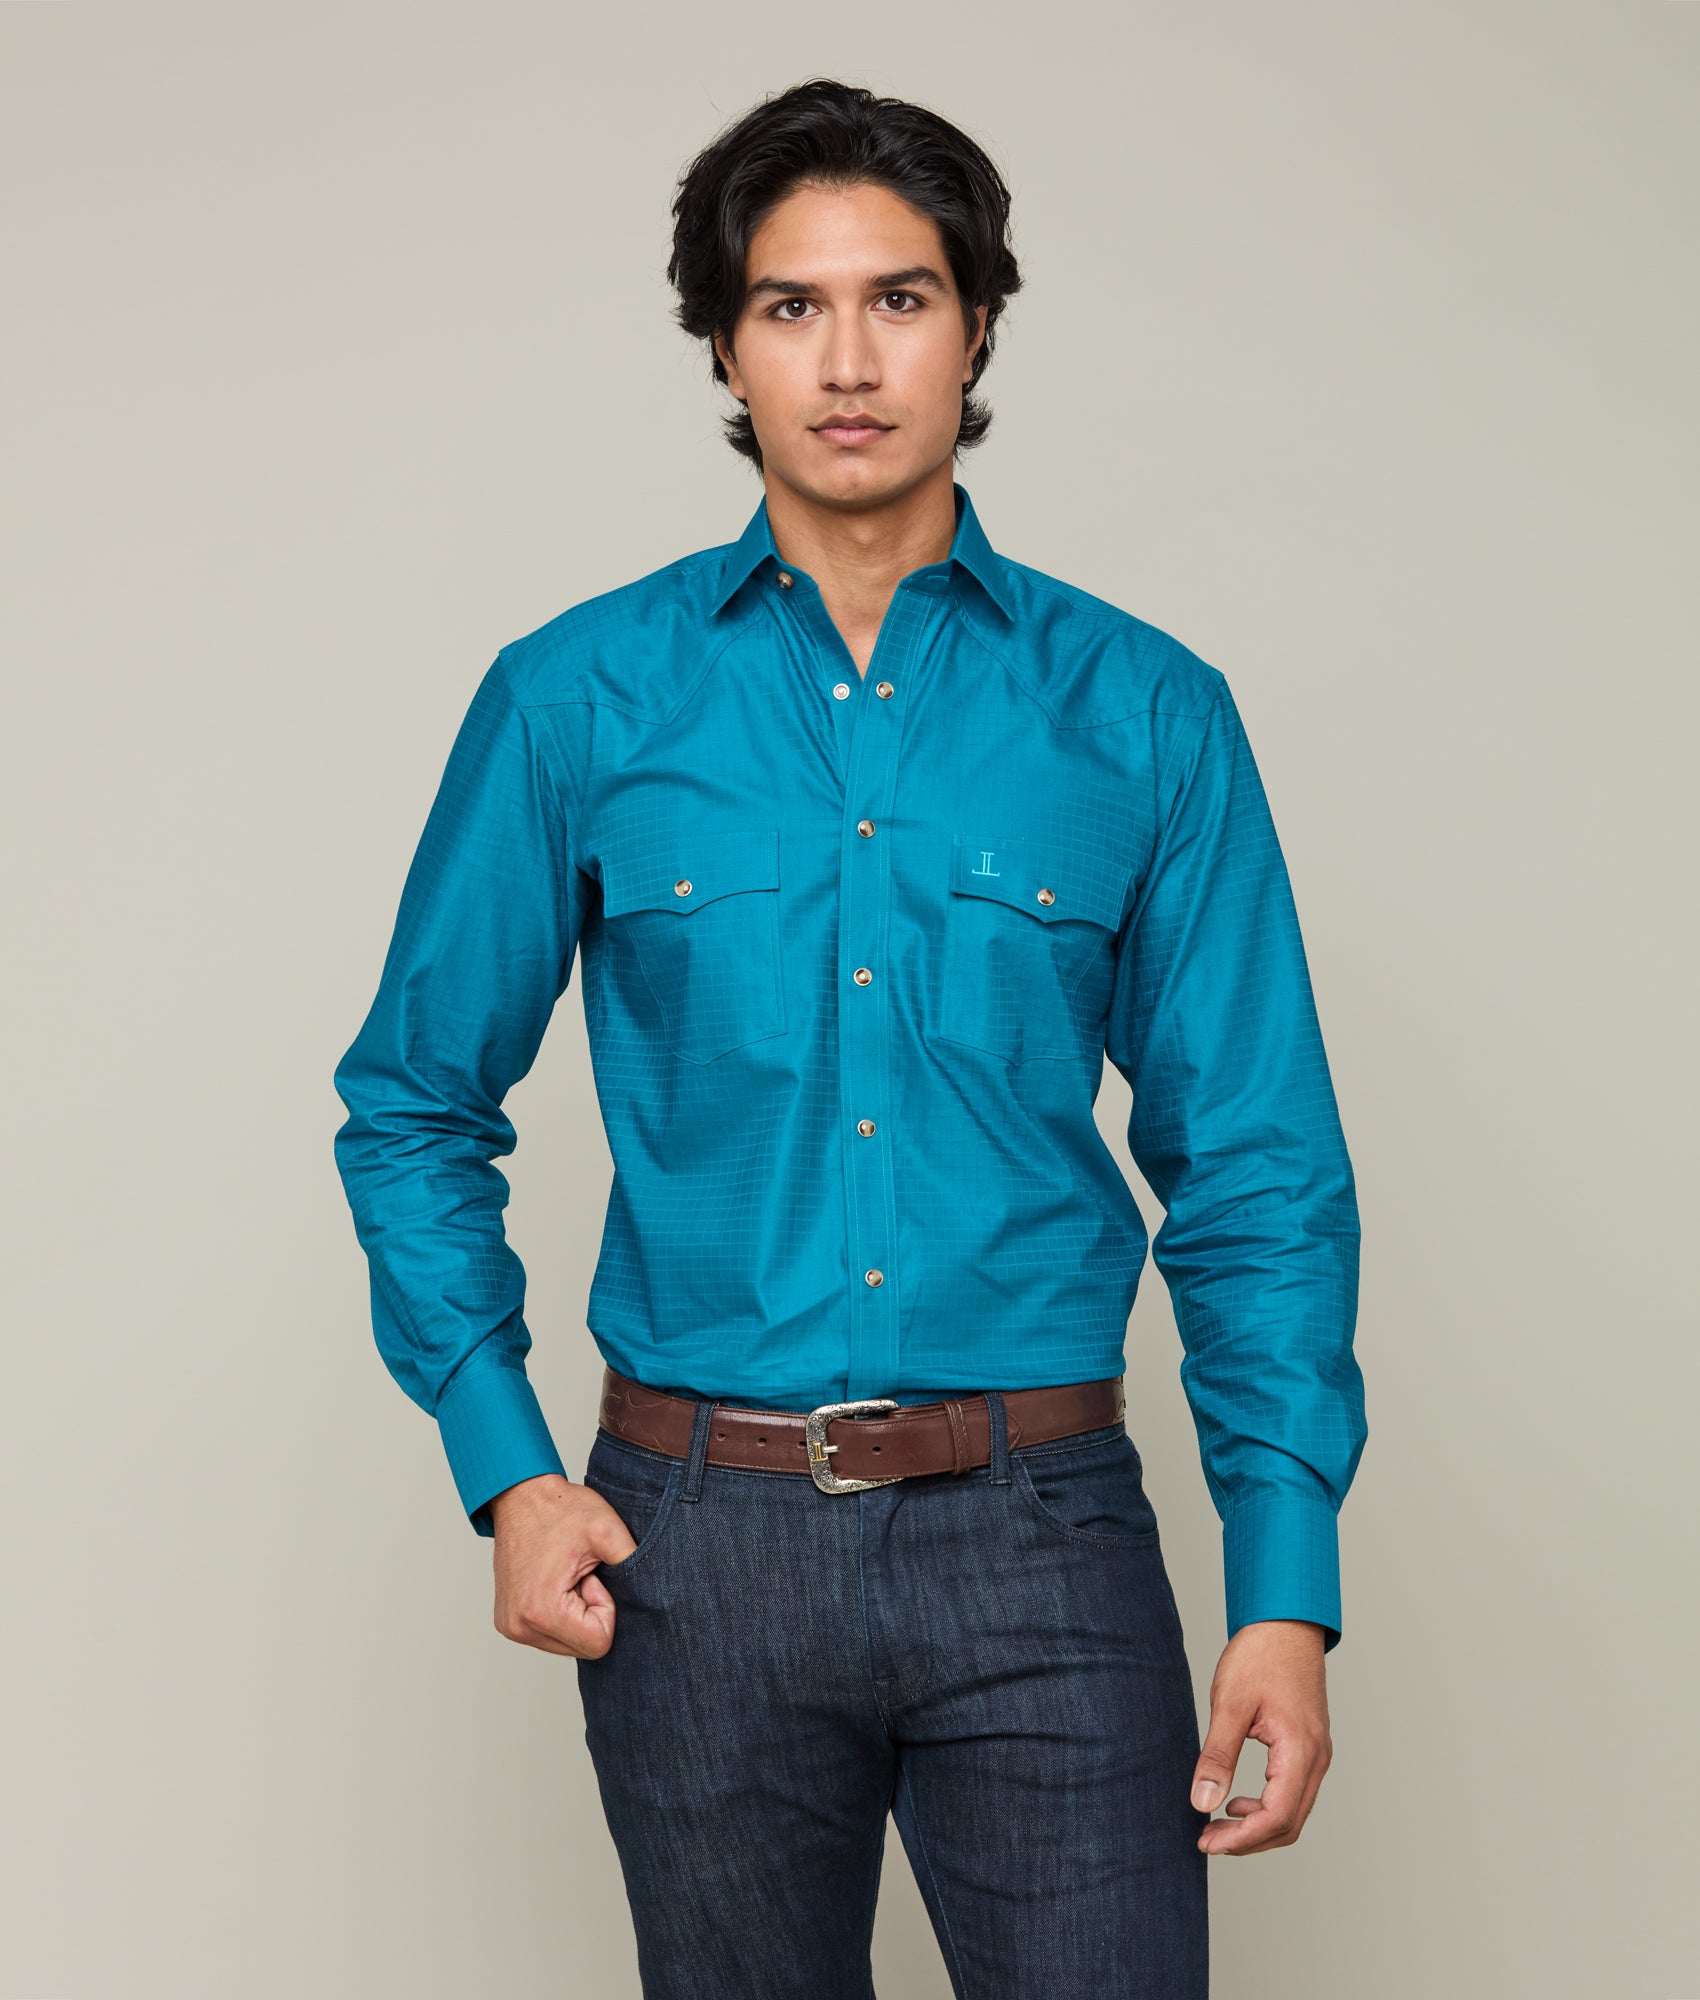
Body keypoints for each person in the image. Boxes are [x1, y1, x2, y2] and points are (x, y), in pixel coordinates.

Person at [332, 76, 1366, 2000]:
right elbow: (410, 1102)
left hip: (1043, 1535)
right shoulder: (577, 698)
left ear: (977, 328)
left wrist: (1285, 1589)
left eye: (901, 298)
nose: (850, 360)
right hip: (691, 1547)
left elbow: (1259, 1169)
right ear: (726, 348)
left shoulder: (1146, 713)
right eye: (791, 306)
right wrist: (508, 1466)